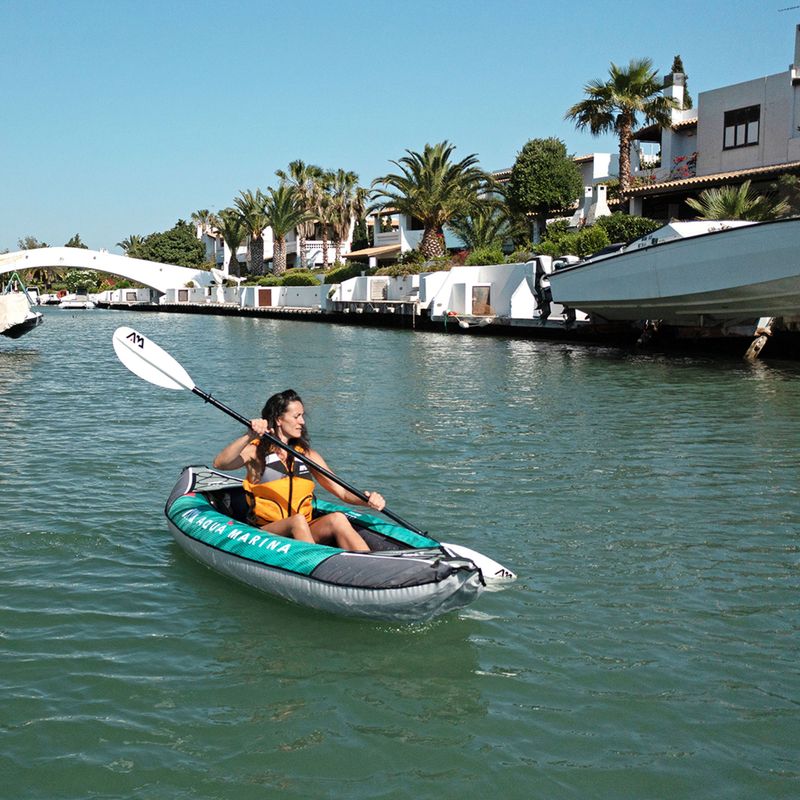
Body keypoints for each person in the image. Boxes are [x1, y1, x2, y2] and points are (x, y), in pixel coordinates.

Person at [213, 389, 385, 552]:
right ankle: (318, 565)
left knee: (337, 518)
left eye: (302, 416)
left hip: (304, 531)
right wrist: (249, 435)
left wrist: (367, 500)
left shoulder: (307, 455)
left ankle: (372, 565)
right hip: (267, 532)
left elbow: (341, 491)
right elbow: (220, 463)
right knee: (297, 521)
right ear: (279, 420)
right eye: (296, 416)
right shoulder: (256, 452)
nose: (302, 422)